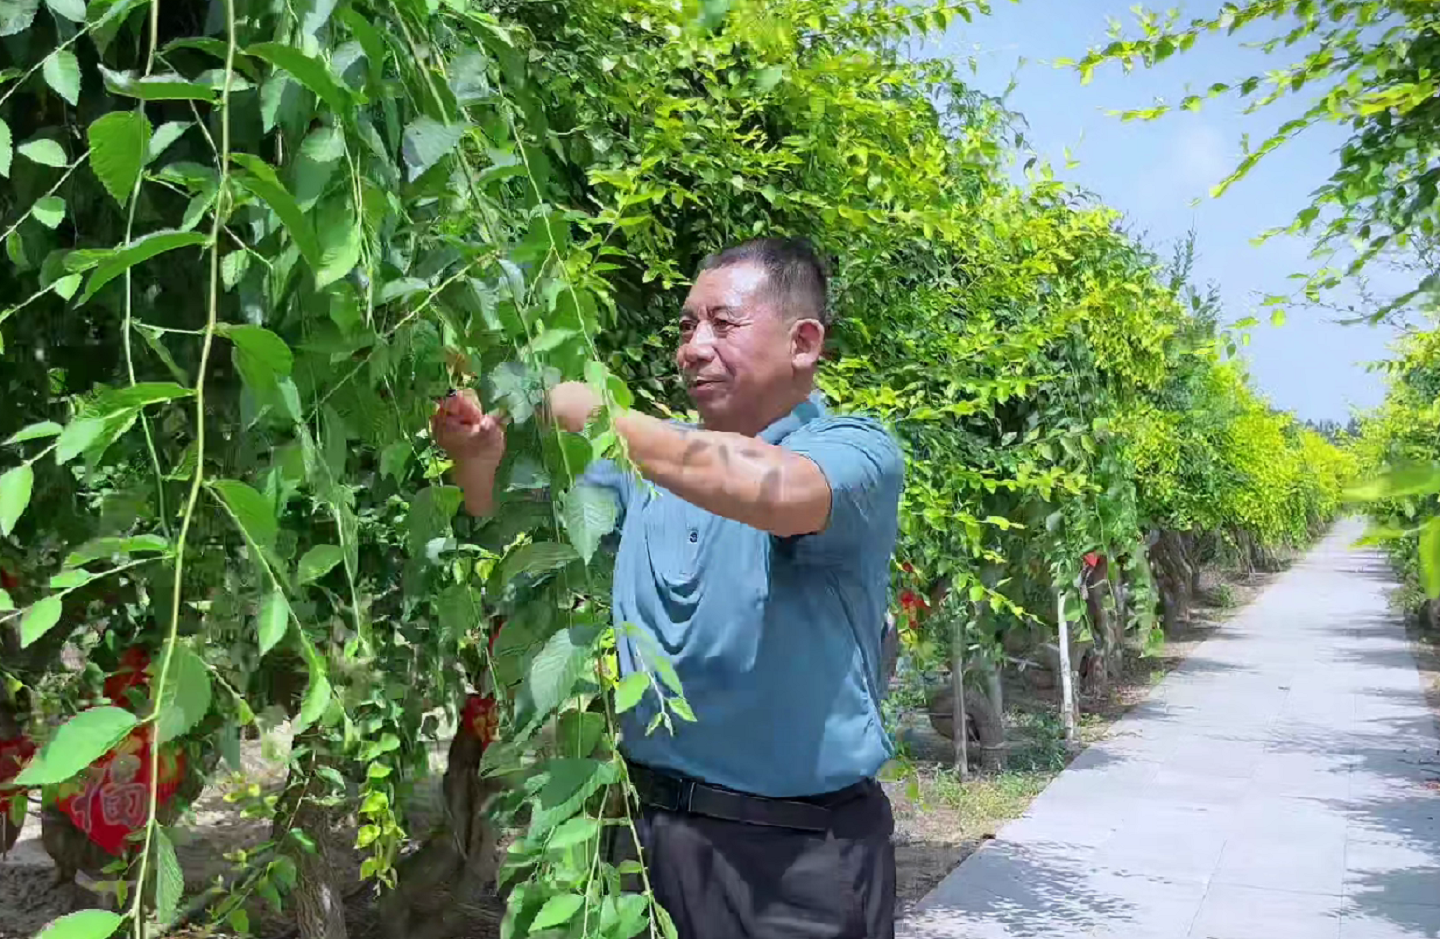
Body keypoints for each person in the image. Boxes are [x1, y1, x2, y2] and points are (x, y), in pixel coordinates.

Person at [431, 237, 904, 939]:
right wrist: (476, 457)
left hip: (794, 859)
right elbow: (491, 511)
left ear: (803, 342)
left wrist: (600, 415)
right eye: (686, 326)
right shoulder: (647, 466)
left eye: (723, 323)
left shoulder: (856, 451)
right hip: (649, 845)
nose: (693, 347)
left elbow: (775, 490)